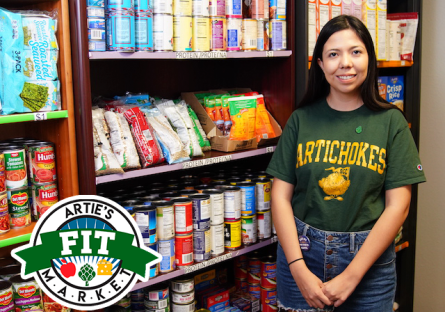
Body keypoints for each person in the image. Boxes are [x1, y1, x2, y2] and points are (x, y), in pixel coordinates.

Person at [266, 15, 426, 312]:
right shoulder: (301, 120)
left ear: (369, 57)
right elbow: (280, 196)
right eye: (333, 54)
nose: (345, 63)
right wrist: (298, 269)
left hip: (369, 264)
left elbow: (398, 207)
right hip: (302, 255)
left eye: (355, 51)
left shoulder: (392, 122)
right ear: (320, 64)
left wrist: (352, 276)